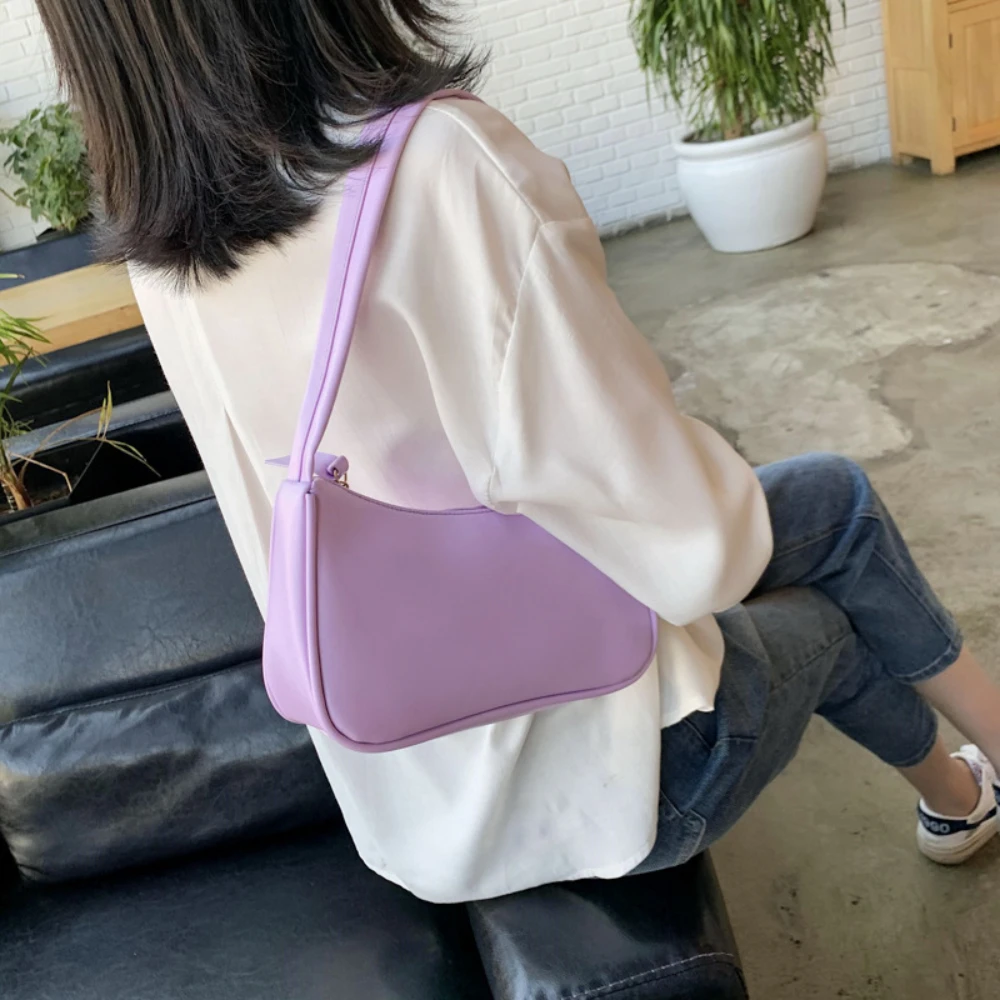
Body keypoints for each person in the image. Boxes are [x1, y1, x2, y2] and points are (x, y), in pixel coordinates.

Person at [37, 0, 1000, 903]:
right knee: (833, 563)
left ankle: (960, 797)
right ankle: (961, 794)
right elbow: (692, 545)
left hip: (408, 803)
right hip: (616, 780)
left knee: (822, 508)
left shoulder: (157, 247)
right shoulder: (435, 163)